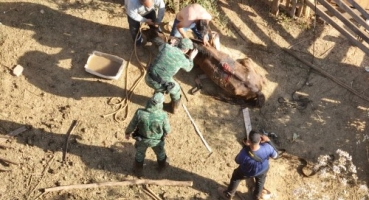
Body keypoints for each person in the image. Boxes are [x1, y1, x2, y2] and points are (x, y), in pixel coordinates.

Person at [218, 130, 278, 200]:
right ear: (260, 139)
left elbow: (237, 160)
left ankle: (228, 194)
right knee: (260, 181)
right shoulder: (267, 147)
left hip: (247, 172)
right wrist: (269, 141)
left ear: (249, 141)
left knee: (236, 177)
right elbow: (276, 156)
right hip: (263, 170)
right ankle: (256, 197)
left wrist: (245, 147)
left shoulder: (244, 153)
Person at [145, 38, 198, 114]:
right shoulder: (182, 59)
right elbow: (189, 68)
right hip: (158, 83)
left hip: (148, 77)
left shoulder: (166, 47)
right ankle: (173, 109)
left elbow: (160, 48)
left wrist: (170, 44)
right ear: (186, 50)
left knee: (163, 79)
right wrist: (191, 58)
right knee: (176, 89)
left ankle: (158, 93)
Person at [125, 92, 170, 176]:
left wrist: (127, 133)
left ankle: (138, 169)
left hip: (142, 139)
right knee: (160, 153)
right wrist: (166, 133)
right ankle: (162, 166)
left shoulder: (140, 112)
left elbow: (132, 125)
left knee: (140, 154)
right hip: (157, 141)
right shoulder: (163, 115)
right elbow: (167, 129)